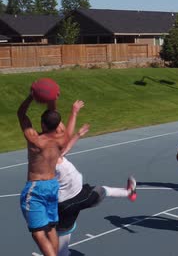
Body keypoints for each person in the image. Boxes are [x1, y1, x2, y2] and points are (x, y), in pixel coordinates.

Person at [54, 100, 137, 256]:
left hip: (63, 202)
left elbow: (66, 145)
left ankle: (61, 252)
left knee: (63, 236)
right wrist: (74, 112)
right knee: (102, 190)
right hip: (75, 197)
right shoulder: (52, 157)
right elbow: (66, 139)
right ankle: (129, 192)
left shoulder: (48, 154)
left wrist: (78, 134)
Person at [18, 94, 71, 256]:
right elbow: (54, 117)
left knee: (38, 233)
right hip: (53, 185)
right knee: (51, 228)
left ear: (42, 123)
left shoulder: (35, 140)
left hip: (36, 187)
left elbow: (21, 114)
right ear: (57, 125)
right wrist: (51, 100)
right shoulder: (62, 138)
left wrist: (31, 97)